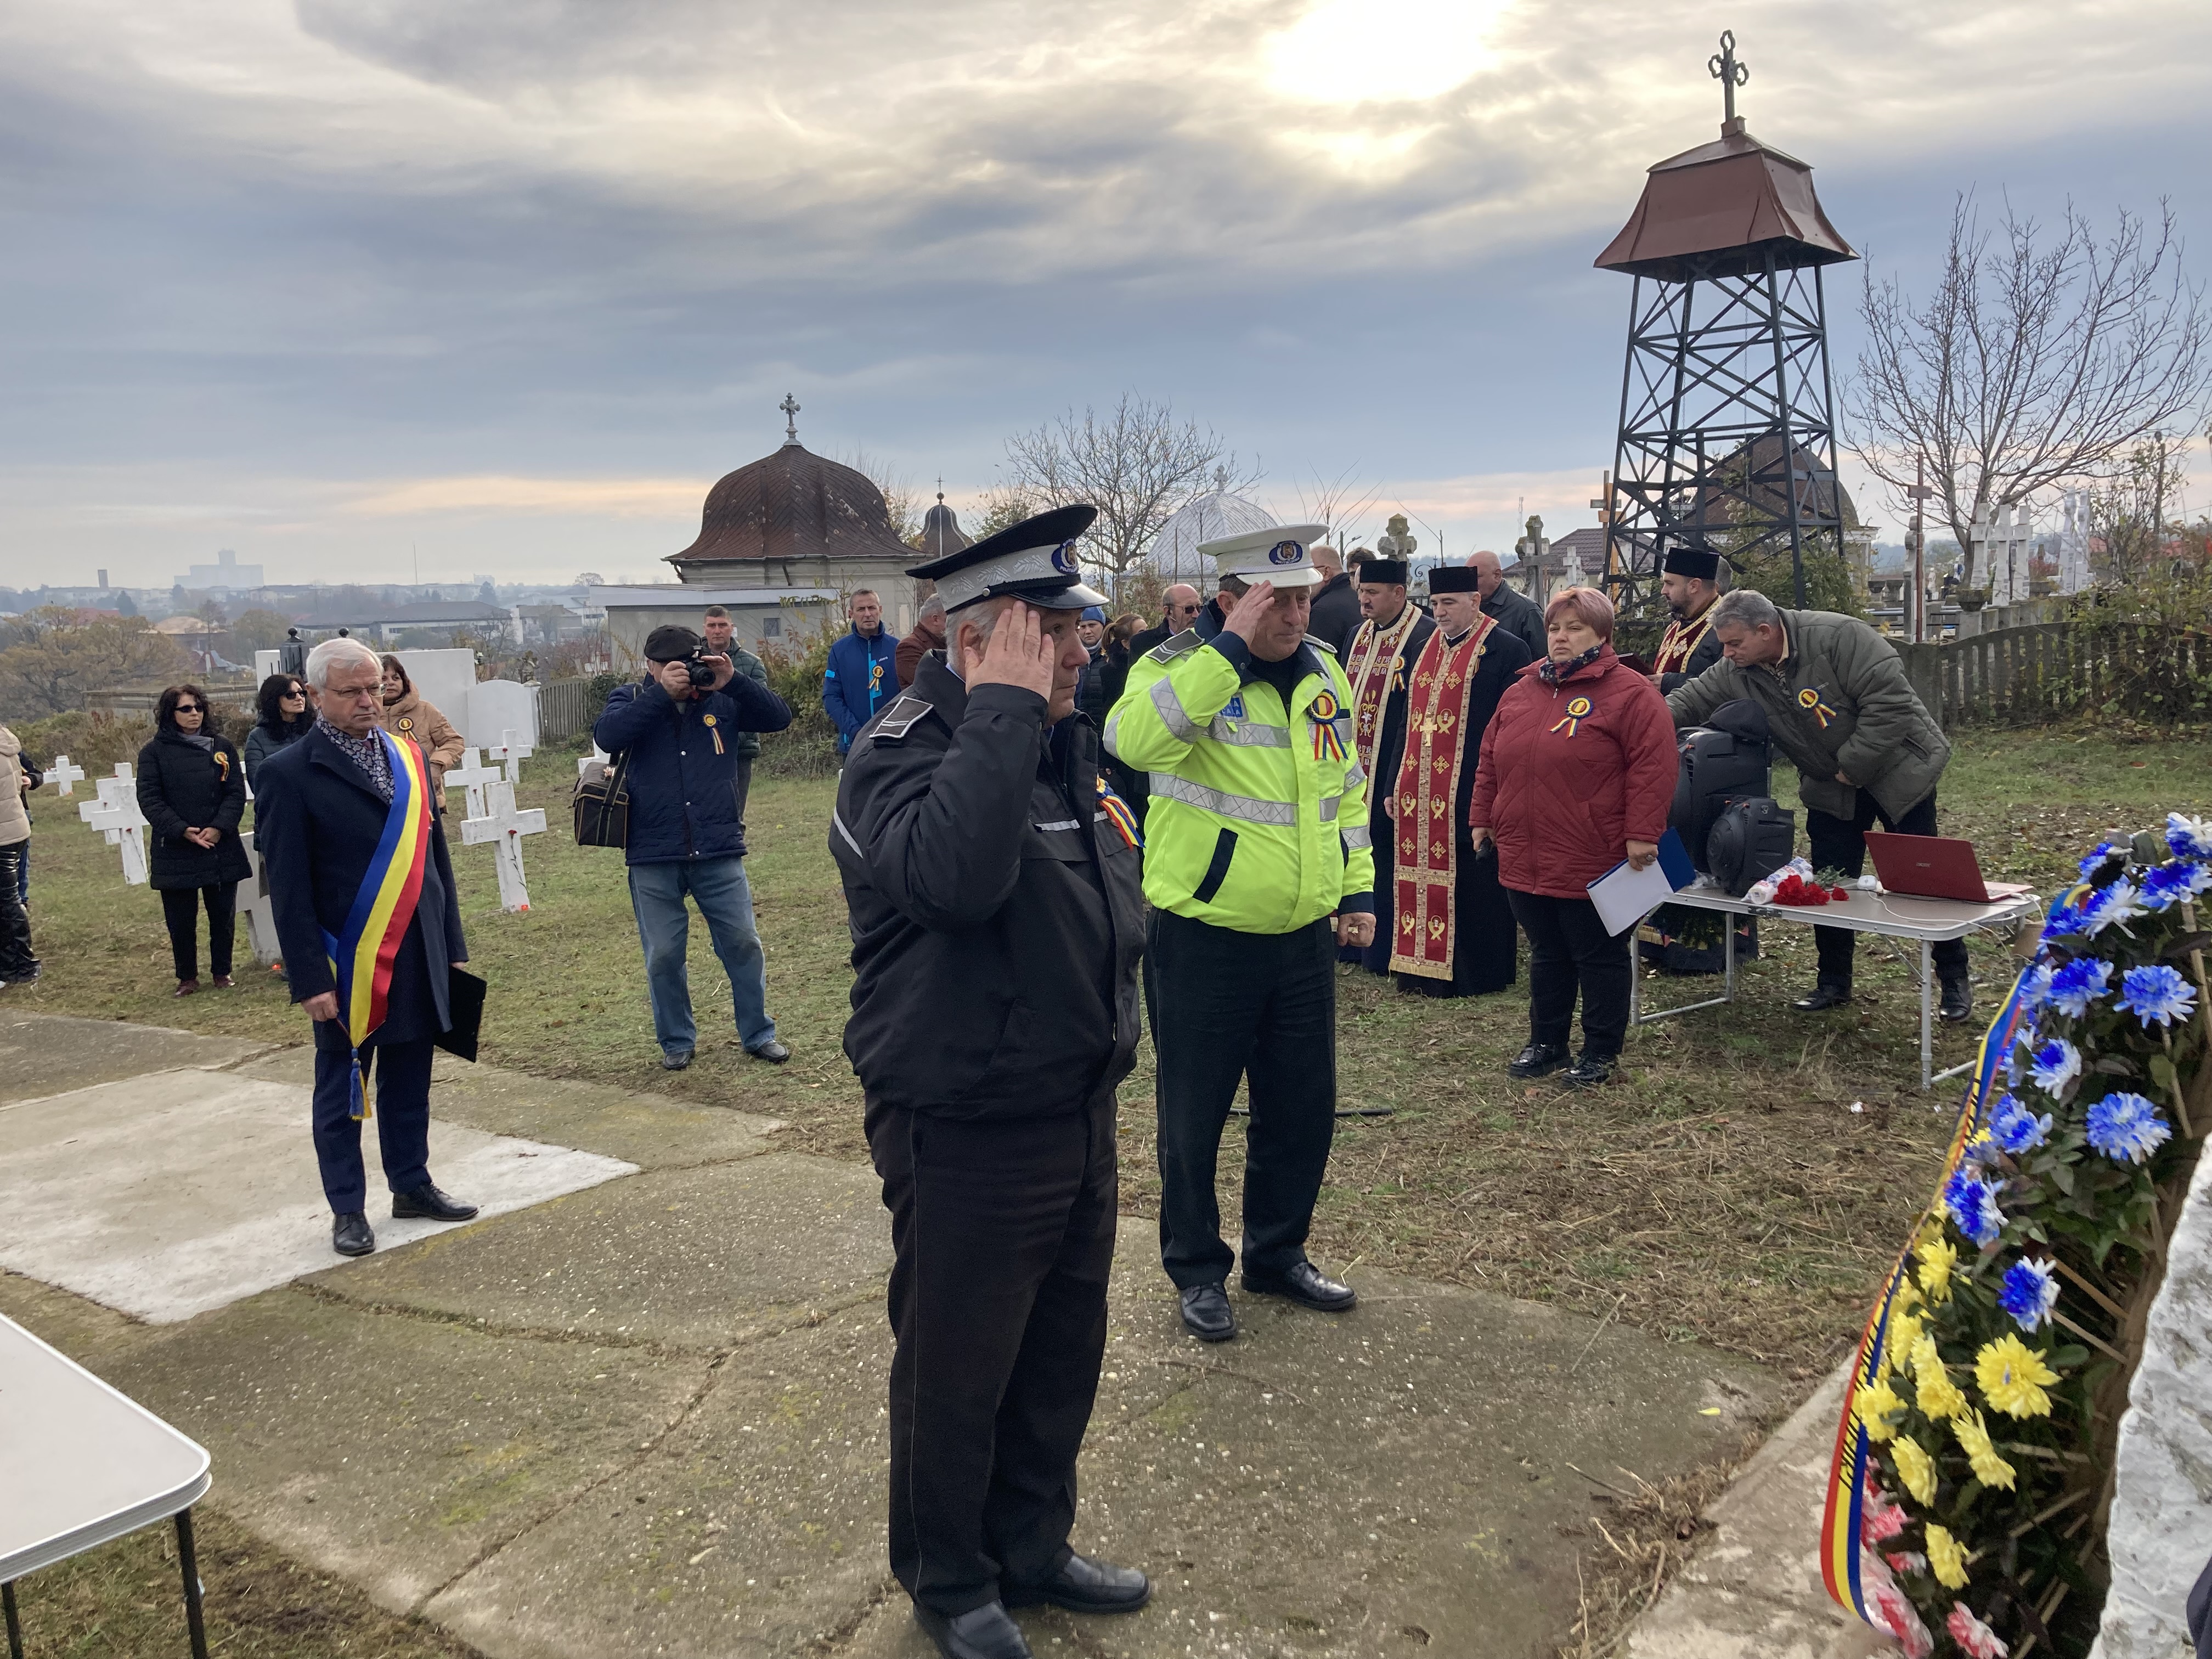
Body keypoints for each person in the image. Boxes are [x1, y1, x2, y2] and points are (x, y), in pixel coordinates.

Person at [834, 505, 1150, 1659]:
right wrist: (1005, 710)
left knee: (1060, 1348)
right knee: (957, 1370)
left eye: (1078, 628)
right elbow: (956, 883)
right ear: (978, 641)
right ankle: (950, 1576)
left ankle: (1031, 1543)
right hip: (965, 1119)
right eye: (1054, 632)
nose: (1081, 650)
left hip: (1073, 1103)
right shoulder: (898, 754)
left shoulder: (1060, 739)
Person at [1107, 523, 1372, 1345]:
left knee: (1301, 1110)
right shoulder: (1173, 667)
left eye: (1304, 600)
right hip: (1205, 937)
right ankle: (1196, 1269)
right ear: (1230, 602)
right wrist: (1224, 654)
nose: (1296, 616)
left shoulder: (1324, 670)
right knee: (1193, 1117)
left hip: (1302, 936)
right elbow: (1131, 742)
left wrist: (1357, 885)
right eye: (1277, 601)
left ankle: (1276, 1254)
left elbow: (1345, 786)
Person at [254, 639, 477, 1259]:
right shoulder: (288, 773)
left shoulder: (409, 755)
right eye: (350, 691)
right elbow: (288, 888)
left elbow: (435, 859)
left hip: (417, 948)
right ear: (315, 696)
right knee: (342, 1092)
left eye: (373, 688)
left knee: (411, 1079)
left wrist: (451, 942)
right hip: (346, 962)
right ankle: (348, 1209)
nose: (367, 701)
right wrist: (309, 979)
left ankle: (412, 1184)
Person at [1666, 588, 1971, 1020]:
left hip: (1899, 771)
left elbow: (1891, 705)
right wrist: (1644, 726)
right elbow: (1691, 699)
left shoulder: (1840, 636)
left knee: (1924, 879)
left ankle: (1954, 980)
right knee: (1829, 881)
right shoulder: (1740, 668)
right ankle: (1833, 982)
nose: (1727, 654)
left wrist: (1853, 765)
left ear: (1765, 630)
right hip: (1831, 786)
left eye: (1734, 644)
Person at [1470, 588, 1677, 1088]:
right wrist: (1482, 817)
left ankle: (1601, 1051)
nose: (1561, 638)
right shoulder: (1522, 692)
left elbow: (1653, 768)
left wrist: (1642, 833)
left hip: (1595, 848)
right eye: (1555, 629)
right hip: (1526, 846)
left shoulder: (1630, 693)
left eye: (1575, 629)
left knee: (1598, 953)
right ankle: (1548, 1043)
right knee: (1547, 951)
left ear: (1602, 634)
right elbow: (1490, 760)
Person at [595, 624, 795, 1071]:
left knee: (743, 943)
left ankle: (758, 1033)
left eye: (688, 664)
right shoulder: (631, 698)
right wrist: (660, 695)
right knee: (664, 954)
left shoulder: (720, 699)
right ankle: (676, 1040)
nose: (684, 674)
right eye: (671, 667)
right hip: (653, 850)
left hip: (718, 846)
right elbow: (607, 736)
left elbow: (780, 717)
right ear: (650, 667)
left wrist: (733, 681)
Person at [1386, 565, 1532, 997]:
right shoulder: (1422, 649)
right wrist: (1395, 780)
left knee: (1475, 880)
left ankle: (1475, 974)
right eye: (1434, 603)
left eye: (1449, 603)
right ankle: (1420, 969)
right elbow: (1406, 723)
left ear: (1475, 601)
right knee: (1416, 873)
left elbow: (1514, 728)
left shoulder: (1507, 649)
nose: (1440, 611)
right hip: (1419, 787)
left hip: (1472, 784)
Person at [1336, 557, 1434, 971]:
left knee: (1387, 856)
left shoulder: (1423, 635)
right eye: (1361, 591)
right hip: (1352, 766)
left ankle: (1384, 947)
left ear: (1399, 593)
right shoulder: (1356, 634)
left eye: (1372, 593)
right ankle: (1349, 941)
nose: (1364, 600)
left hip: (1393, 767)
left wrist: (1399, 775)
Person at [137, 684, 251, 996]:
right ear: (170, 714)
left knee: (223, 915)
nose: (194, 714)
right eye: (185, 709)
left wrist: (219, 827)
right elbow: (150, 799)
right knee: (181, 919)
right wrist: (182, 830)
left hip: (219, 844)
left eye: (199, 708)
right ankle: (187, 977)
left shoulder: (222, 747)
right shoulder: (154, 752)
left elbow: (235, 793)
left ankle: (222, 972)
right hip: (176, 847)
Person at [700, 605, 771, 836]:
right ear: (705, 628)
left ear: (732, 628)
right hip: (700, 751)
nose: (717, 630)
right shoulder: (692, 662)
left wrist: (728, 738)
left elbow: (759, 707)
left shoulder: (752, 664)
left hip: (739, 752)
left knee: (734, 816)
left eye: (722, 625)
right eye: (712, 625)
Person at [375, 656, 466, 809]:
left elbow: (454, 741)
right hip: (381, 801)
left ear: (404, 682)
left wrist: (435, 765)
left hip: (426, 798)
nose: (390, 683)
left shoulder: (425, 710)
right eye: (383, 678)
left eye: (396, 678)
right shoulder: (367, 714)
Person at [823, 589, 898, 754]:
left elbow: (909, 695)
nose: (868, 614)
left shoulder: (898, 648)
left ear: (880, 610)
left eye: (872, 608)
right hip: (853, 745)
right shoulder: (839, 651)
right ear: (851, 614)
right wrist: (856, 732)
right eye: (861, 609)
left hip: (893, 744)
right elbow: (831, 697)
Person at [1651, 544, 1727, 693]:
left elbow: (1726, 686)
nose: (1663, 591)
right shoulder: (1675, 627)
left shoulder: (1728, 626)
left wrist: (1669, 682)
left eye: (1670, 584)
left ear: (1694, 586)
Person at [0, 723, 37, 989]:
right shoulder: (6, 742)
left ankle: (20, 966)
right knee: (8, 900)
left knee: (7, 901)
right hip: (13, 827)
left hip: (4, 832)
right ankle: (14, 964)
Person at [1470, 549, 1547, 663]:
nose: (1469, 583)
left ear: (1497, 576)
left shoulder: (1527, 611)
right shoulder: (1466, 609)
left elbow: (1542, 661)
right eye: (1467, 578)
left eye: (1476, 577)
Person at [245, 673, 314, 791]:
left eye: (302, 693)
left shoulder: (315, 730)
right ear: (274, 700)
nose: (299, 698)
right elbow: (259, 783)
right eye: (290, 695)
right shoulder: (258, 738)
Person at [1305, 544, 1362, 658]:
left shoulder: (1322, 612)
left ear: (1326, 573)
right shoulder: (1358, 599)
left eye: (1308, 572)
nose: (1305, 579)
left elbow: (1316, 662)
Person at [1127, 584, 1203, 659]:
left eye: (1199, 608)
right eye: (1189, 609)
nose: (1197, 615)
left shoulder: (1207, 638)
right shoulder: (1142, 643)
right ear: (1168, 612)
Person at [896, 594, 947, 689]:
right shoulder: (909, 647)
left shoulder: (944, 642)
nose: (954, 624)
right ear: (936, 619)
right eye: (949, 620)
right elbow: (928, 684)